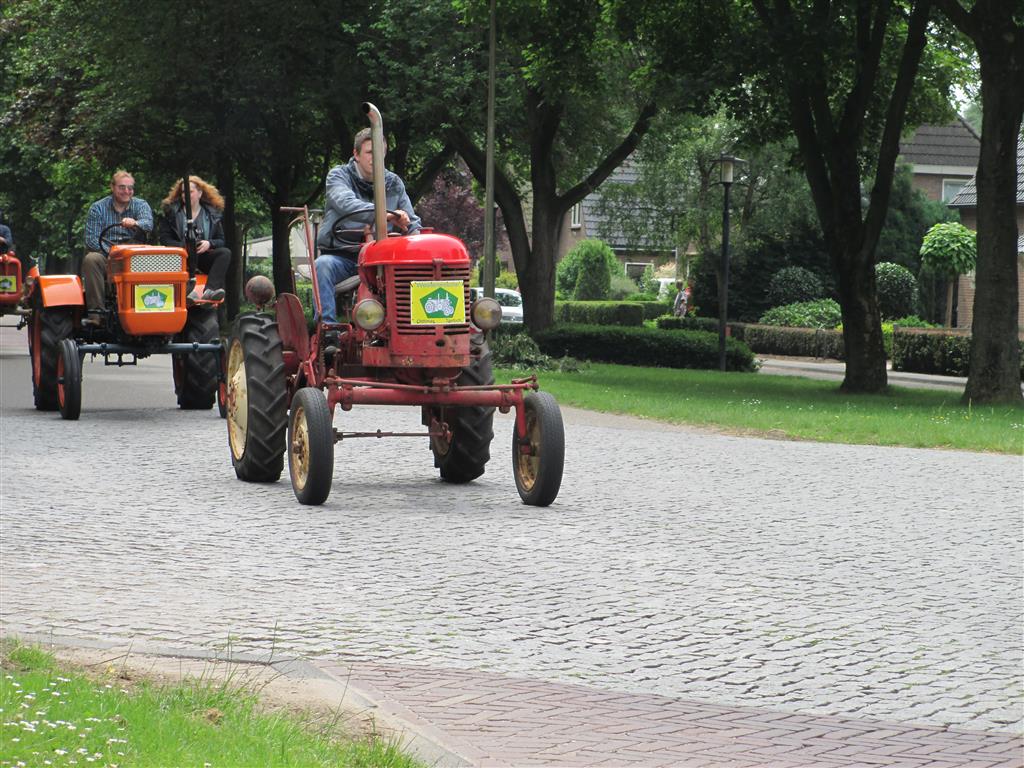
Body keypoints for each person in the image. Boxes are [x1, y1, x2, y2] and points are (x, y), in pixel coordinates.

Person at [315, 127, 421, 323]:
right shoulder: (338, 176)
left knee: (414, 271)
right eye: (370, 152)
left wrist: (417, 240)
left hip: (381, 260)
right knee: (322, 266)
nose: (376, 158)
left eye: (380, 153)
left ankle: (413, 325)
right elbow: (346, 203)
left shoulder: (394, 183)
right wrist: (385, 215)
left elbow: (412, 222)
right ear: (356, 154)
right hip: (344, 257)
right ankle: (328, 329)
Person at [82, 170, 154, 325]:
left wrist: (135, 223)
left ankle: (150, 308)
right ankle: (96, 314)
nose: (126, 191)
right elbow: (91, 240)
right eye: (122, 187)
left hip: (134, 255)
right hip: (107, 255)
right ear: (112, 187)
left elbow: (148, 224)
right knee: (91, 259)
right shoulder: (97, 208)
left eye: (130, 188)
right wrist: (113, 253)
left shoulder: (141, 205)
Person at [159, 176, 229, 303]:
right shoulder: (171, 213)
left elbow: (221, 240)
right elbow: (164, 239)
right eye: (183, 192)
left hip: (202, 256)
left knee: (225, 253)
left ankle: (210, 290)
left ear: (200, 193)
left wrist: (209, 243)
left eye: (190, 192)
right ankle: (186, 291)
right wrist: (183, 247)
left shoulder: (212, 215)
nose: (185, 195)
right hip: (180, 258)